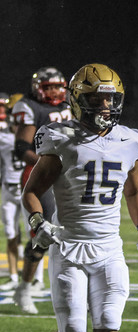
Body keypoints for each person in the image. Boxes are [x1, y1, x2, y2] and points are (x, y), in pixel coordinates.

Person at [20, 63, 138, 332]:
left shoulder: (130, 139)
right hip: (69, 247)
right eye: (97, 98)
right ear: (78, 100)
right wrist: (38, 222)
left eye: (111, 98)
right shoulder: (60, 137)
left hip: (109, 250)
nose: (105, 105)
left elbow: (133, 189)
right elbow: (31, 191)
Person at [11, 67, 73, 314]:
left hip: (67, 175)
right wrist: (48, 164)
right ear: (38, 88)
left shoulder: (69, 105)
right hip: (41, 177)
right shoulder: (28, 107)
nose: (55, 91)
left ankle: (70, 288)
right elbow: (21, 148)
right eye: (49, 87)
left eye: (58, 86)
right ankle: (24, 288)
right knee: (44, 235)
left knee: (74, 232)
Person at [0, 94, 26, 291]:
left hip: (27, 191)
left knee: (34, 236)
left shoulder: (31, 136)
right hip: (8, 190)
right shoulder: (4, 136)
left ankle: (35, 279)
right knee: (10, 234)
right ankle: (14, 277)